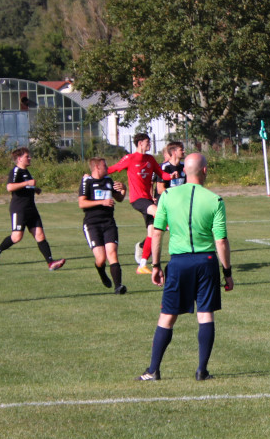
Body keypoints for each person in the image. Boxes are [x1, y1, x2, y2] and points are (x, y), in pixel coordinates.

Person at [137, 153, 232, 382]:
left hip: (178, 263)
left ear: (185, 171)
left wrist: (156, 264)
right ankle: (201, 370)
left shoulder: (167, 195)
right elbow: (220, 241)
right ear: (205, 171)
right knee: (205, 314)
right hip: (206, 262)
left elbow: (157, 232)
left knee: (167, 316)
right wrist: (227, 272)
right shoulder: (215, 200)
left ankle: (153, 370)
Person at [109, 133, 176, 275]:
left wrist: (170, 176)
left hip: (148, 200)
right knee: (160, 214)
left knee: (152, 233)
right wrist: (92, 175)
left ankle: (142, 264)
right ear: (140, 143)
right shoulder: (130, 158)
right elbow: (112, 169)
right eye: (147, 142)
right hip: (137, 199)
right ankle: (172, 227)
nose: (149, 144)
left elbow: (161, 174)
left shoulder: (150, 159)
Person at [0, 147, 66, 270]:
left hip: (31, 209)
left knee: (40, 235)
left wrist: (34, 189)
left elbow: (25, 187)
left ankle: (51, 262)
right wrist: (27, 183)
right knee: (16, 237)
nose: (30, 158)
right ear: (19, 159)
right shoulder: (16, 171)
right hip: (19, 209)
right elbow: (10, 187)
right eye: (27, 156)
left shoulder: (26, 172)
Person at [79, 158, 129, 295]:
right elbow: (82, 203)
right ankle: (101, 271)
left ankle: (118, 287)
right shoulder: (87, 181)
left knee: (112, 253)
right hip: (92, 224)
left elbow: (118, 198)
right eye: (104, 165)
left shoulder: (108, 180)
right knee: (101, 259)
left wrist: (123, 189)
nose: (107, 167)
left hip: (109, 222)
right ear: (96, 167)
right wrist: (102, 202)